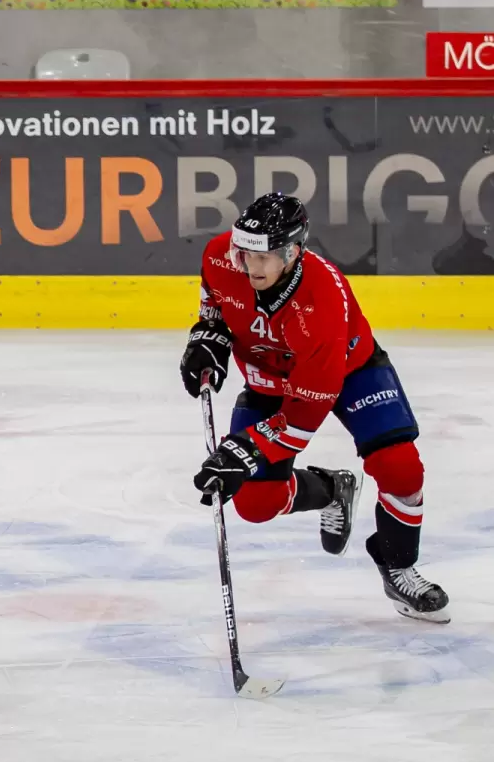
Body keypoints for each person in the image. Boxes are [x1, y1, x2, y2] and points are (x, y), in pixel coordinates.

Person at [180, 193, 446, 622]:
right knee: (255, 503)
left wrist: (248, 447)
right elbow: (214, 302)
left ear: (292, 253)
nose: (250, 266)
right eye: (244, 254)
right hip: (268, 379)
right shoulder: (220, 256)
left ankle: (397, 565)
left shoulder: (322, 299)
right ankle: (331, 489)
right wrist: (208, 334)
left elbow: (304, 414)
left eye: (263, 258)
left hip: (348, 372)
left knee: (401, 468)